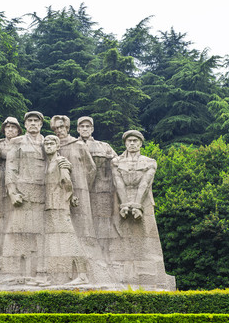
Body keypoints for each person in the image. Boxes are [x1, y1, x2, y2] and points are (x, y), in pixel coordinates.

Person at [110, 130, 169, 289]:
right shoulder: (116, 162)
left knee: (147, 233)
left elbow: (145, 183)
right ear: (125, 143)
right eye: (129, 141)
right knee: (120, 234)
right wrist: (124, 204)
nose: (132, 144)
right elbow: (118, 183)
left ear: (141, 143)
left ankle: (151, 273)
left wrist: (136, 205)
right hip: (122, 200)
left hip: (144, 201)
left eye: (135, 141)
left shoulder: (150, 162)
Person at [1, 111, 47, 284]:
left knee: (40, 234)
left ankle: (39, 272)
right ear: (25, 125)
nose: (33, 123)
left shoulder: (47, 142)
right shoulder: (17, 142)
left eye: (36, 121)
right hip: (22, 192)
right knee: (18, 232)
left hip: (43, 193)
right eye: (30, 121)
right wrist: (12, 192)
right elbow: (11, 167)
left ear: (41, 124)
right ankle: (14, 272)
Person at [42, 135, 89, 286]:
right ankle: (55, 276)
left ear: (57, 146)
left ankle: (82, 275)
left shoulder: (61, 161)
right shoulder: (49, 162)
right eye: (46, 144)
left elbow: (67, 181)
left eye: (51, 143)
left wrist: (69, 196)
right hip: (51, 204)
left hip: (59, 203)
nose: (48, 146)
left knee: (69, 238)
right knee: (55, 240)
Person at [50, 115, 97, 250]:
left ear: (67, 127)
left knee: (82, 222)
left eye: (61, 127)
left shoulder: (79, 145)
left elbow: (91, 168)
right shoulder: (52, 145)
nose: (59, 130)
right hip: (59, 189)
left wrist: (85, 187)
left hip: (81, 187)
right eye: (56, 128)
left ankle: (87, 249)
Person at [77, 116, 118, 257]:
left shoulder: (103, 146)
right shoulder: (72, 145)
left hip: (102, 190)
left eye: (88, 126)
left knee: (103, 222)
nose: (85, 129)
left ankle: (104, 255)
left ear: (92, 129)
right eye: (82, 126)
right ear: (77, 129)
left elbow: (118, 163)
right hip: (79, 190)